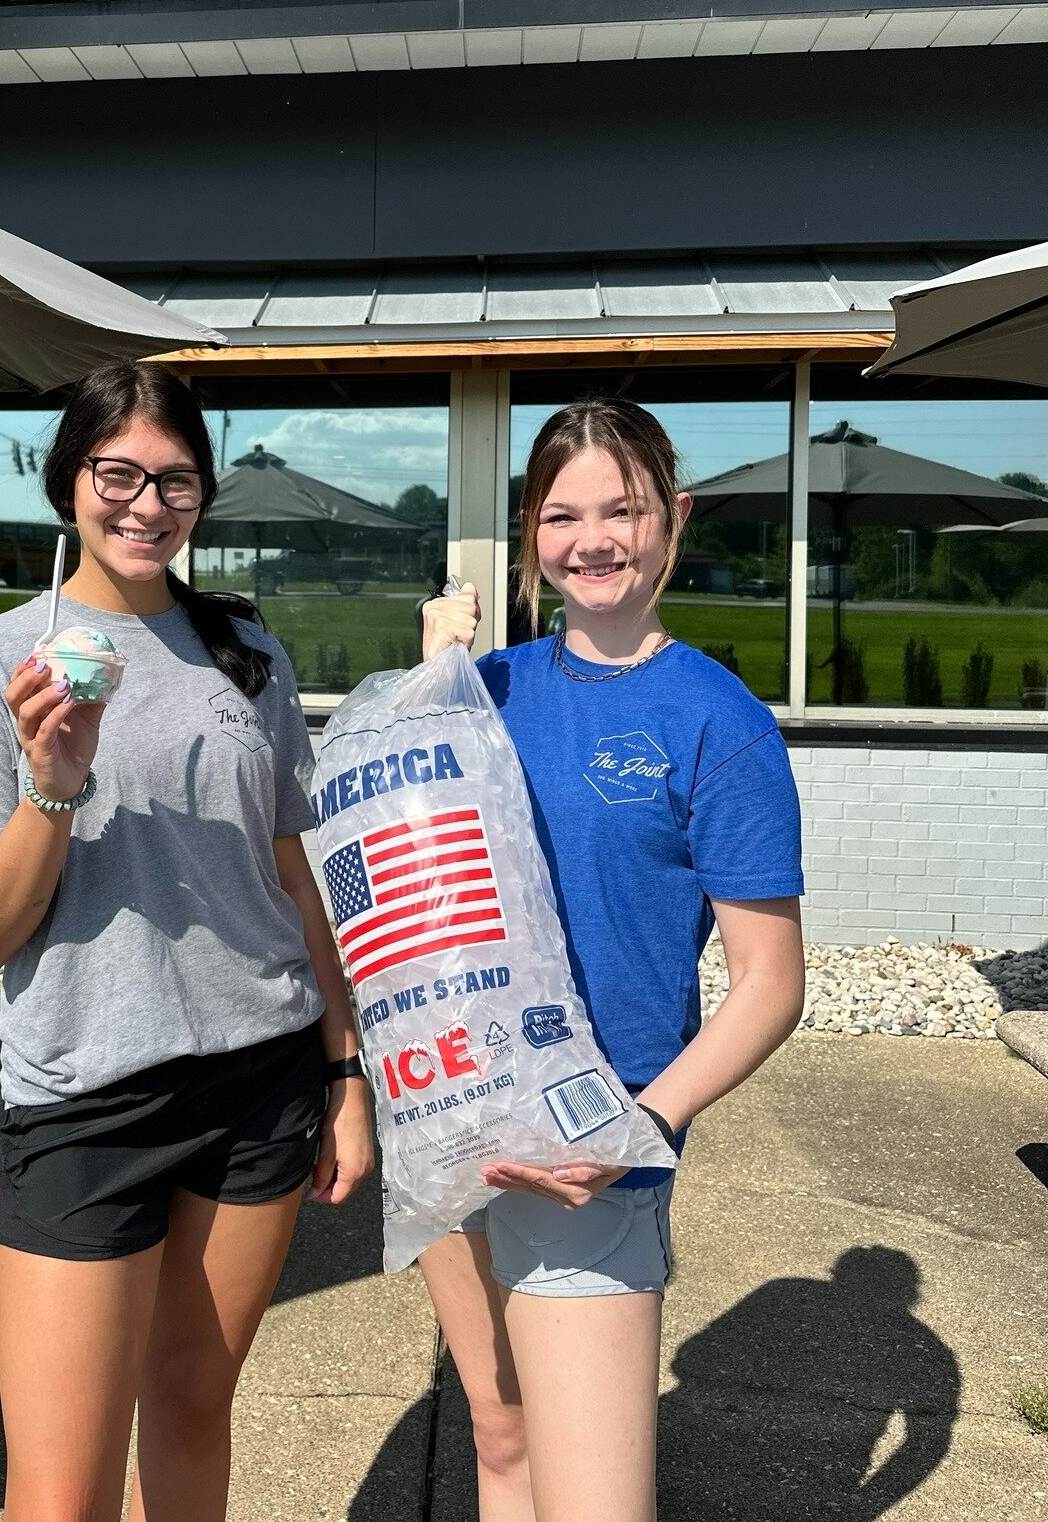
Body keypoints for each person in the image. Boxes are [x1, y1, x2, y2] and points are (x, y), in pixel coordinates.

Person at [0, 362, 374, 1522]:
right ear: (69, 479)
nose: (145, 503)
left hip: (259, 1079)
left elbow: (292, 871)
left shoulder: (245, 654)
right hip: (85, 1096)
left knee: (190, 1409)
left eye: (175, 481)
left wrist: (343, 1067)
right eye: (116, 472)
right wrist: (55, 785)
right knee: (62, 1490)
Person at [418, 397, 807, 1522]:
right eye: (563, 513)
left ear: (672, 518)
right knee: (499, 1445)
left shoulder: (717, 721)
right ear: (531, 531)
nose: (594, 538)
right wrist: (430, 683)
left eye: (623, 508)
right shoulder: (488, 688)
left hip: (595, 1141)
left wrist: (640, 1127)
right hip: (460, 1113)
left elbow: (770, 984)